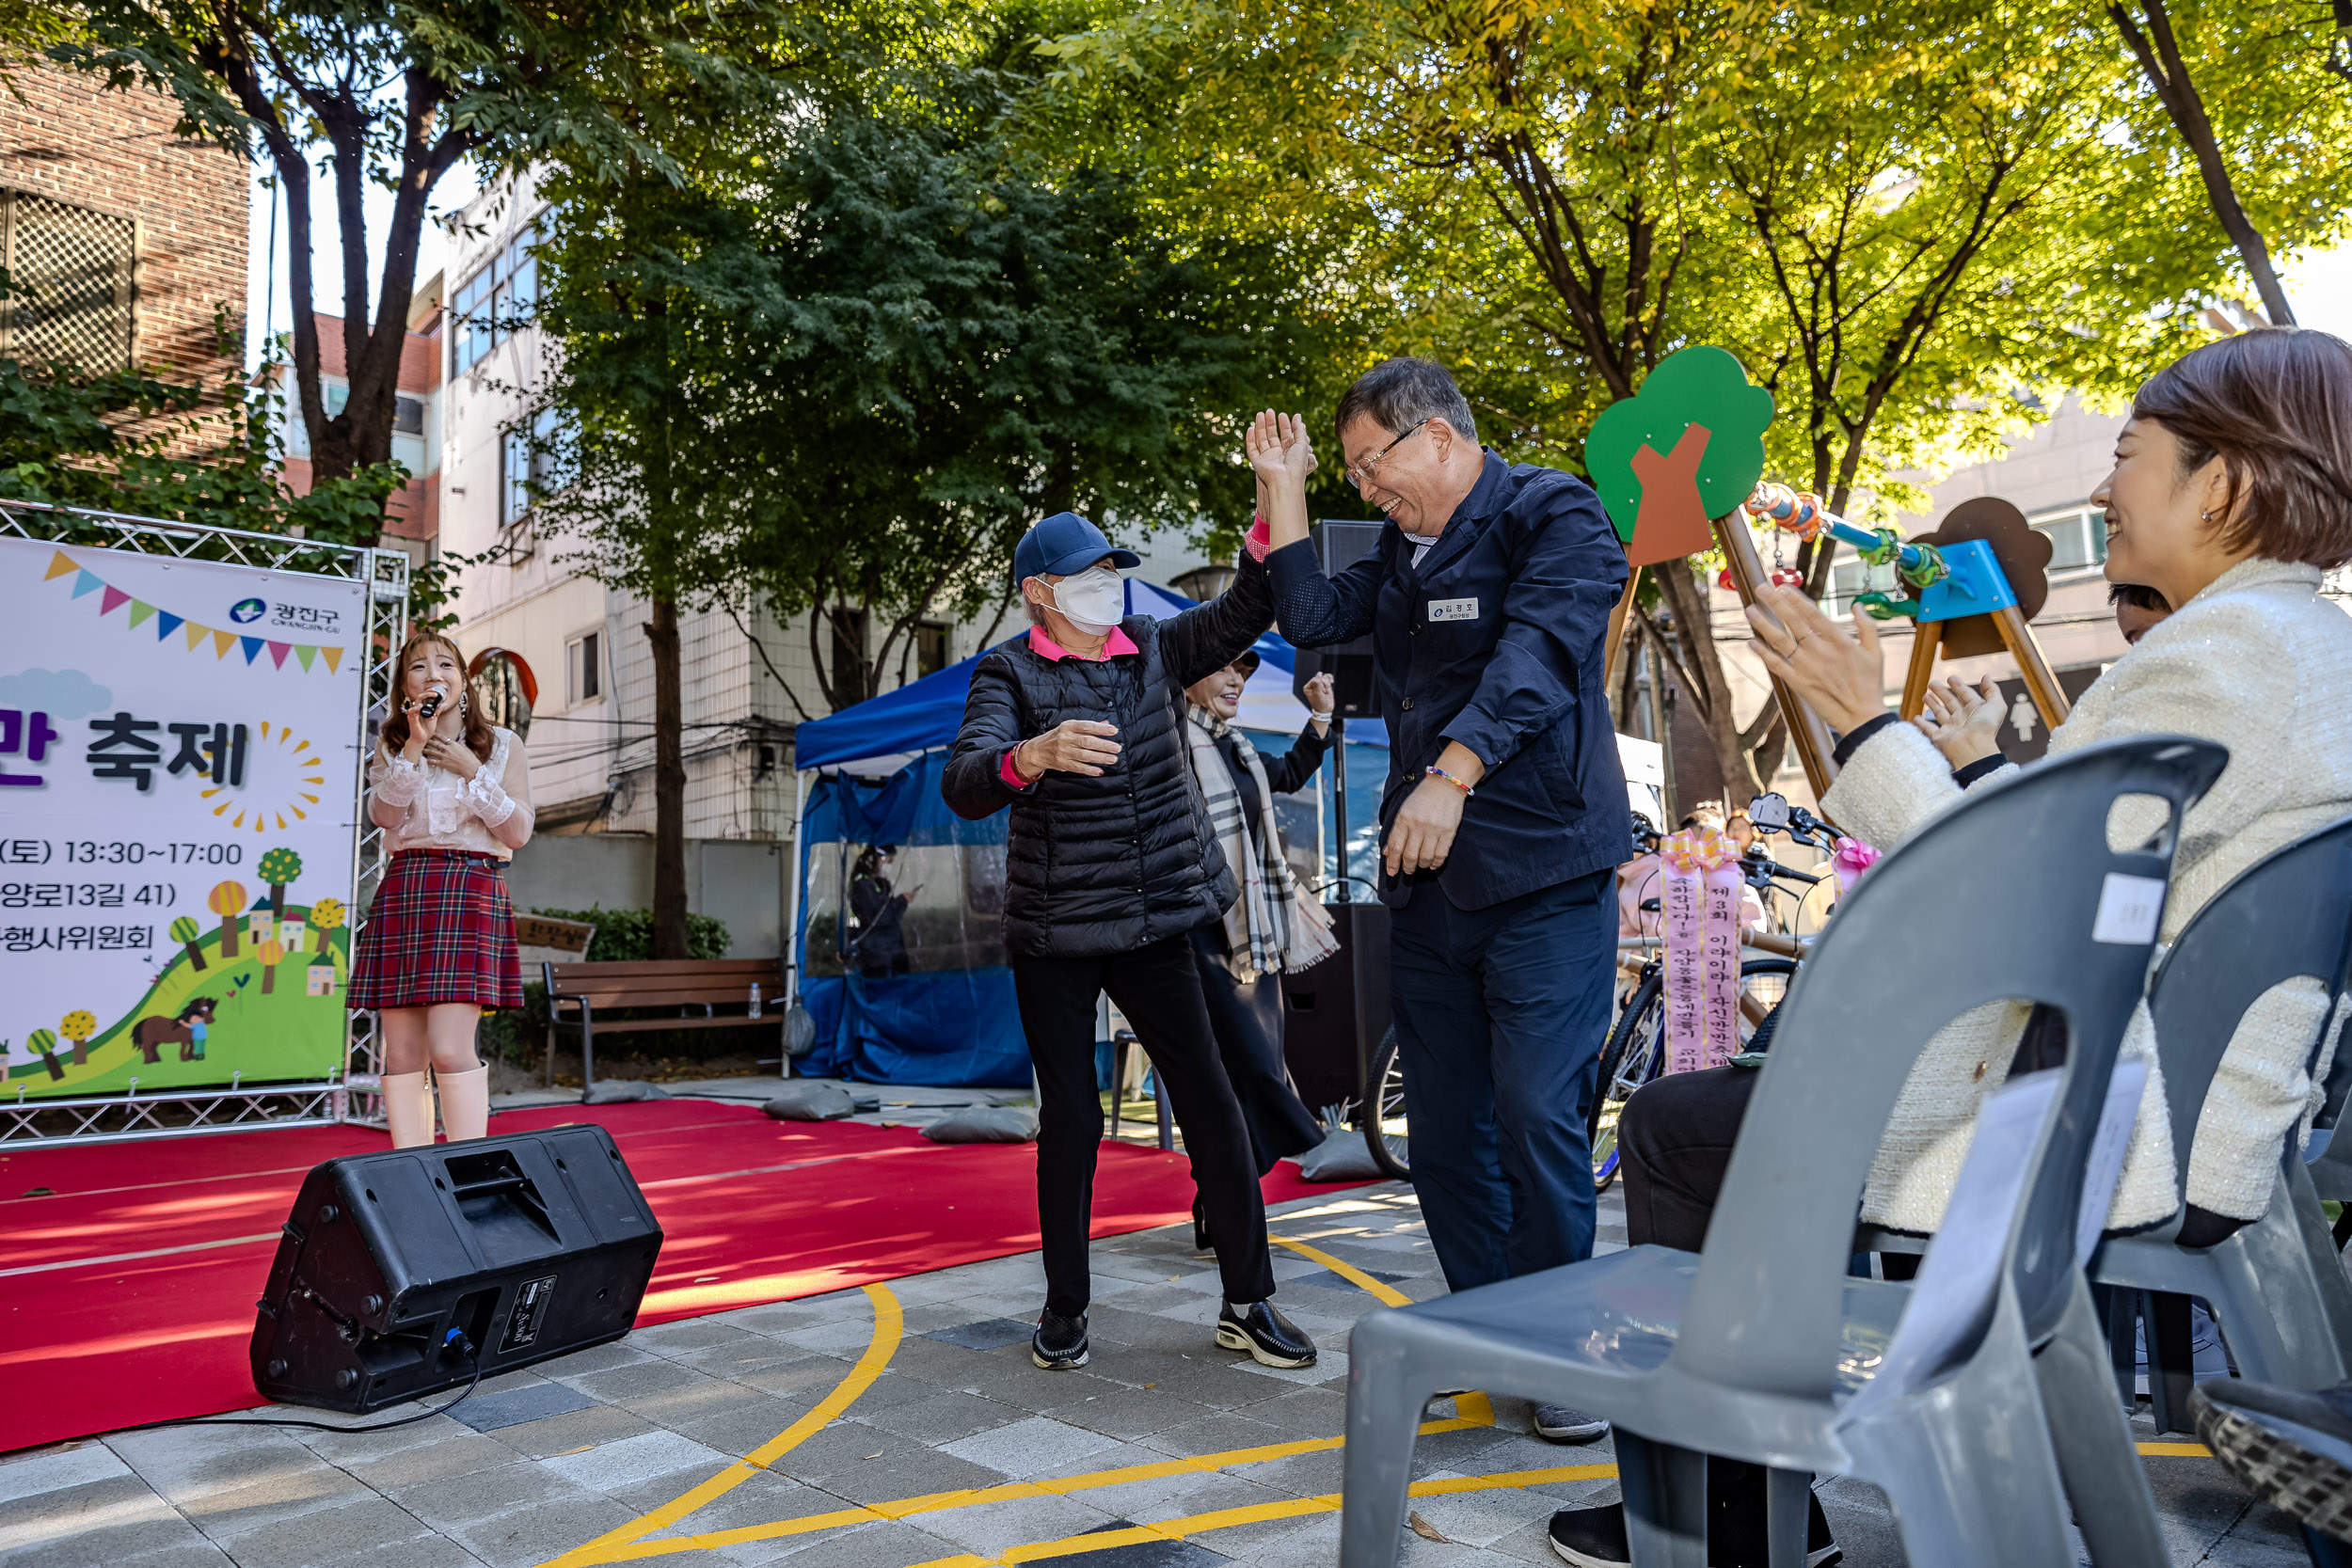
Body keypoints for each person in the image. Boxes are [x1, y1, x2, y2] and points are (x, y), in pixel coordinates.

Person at [1545, 326, 2352, 1567]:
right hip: (2175, 1095)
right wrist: (1954, 756)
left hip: (2094, 1117)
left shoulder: (2228, 651)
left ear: (2225, 484)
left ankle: (1728, 1520)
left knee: (1679, 1127)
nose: (2101, 488)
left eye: (2128, 456)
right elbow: (2083, 853)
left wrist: (1866, 720)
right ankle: (1755, 1497)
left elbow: (2016, 896)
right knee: (1725, 1111)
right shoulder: (2303, 645)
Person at [1255, 358, 1630, 1445]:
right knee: (1445, 1132)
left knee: (1534, 1114)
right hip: (1427, 892)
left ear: (1434, 436)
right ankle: (1491, 1322)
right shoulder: (1396, 551)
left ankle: (1565, 1346)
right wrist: (1285, 486)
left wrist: (1452, 769)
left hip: (1543, 874)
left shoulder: (1548, 509)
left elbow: (1541, 651)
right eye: (1357, 477)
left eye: (1373, 467)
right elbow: (1315, 616)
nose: (1370, 492)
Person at [943, 484, 1318, 1374]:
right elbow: (964, 781)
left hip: (1155, 927)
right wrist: (1028, 756)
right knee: (1071, 1119)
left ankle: (1248, 1299)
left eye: (1114, 569)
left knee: (1214, 1106)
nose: (1109, 583)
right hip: (1056, 937)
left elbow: (1239, 613)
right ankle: (1064, 1307)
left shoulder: (1151, 647)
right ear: (1041, 591)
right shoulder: (1008, 674)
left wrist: (1270, 510)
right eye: (1089, 573)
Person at [350, 631, 536, 1148]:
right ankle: (413, 1173)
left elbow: (518, 831)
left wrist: (472, 771)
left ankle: (467, 1166)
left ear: (464, 682)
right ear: (405, 689)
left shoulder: (502, 746)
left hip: (469, 887)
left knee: (451, 1049)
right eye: (419, 667)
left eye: (446, 665)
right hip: (406, 886)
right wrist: (413, 744)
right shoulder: (393, 747)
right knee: (403, 1053)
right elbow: (383, 817)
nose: (434, 675)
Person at [1181, 653, 1337, 1217]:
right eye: (1222, 668)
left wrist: (1320, 719)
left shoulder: (1237, 748)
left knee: (1252, 1070)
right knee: (1240, 1072)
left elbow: (1290, 773)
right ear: (1188, 677)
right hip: (1198, 937)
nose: (1236, 680)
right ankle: (1260, 1170)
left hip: (1253, 934)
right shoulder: (1170, 746)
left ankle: (1218, 1200)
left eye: (1242, 672)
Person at [848, 846, 914, 979]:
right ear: (874, 859)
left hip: (891, 953)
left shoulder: (878, 884)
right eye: (887, 860)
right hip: (877, 957)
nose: (889, 865)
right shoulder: (862, 885)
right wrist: (901, 901)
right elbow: (879, 918)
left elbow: (889, 916)